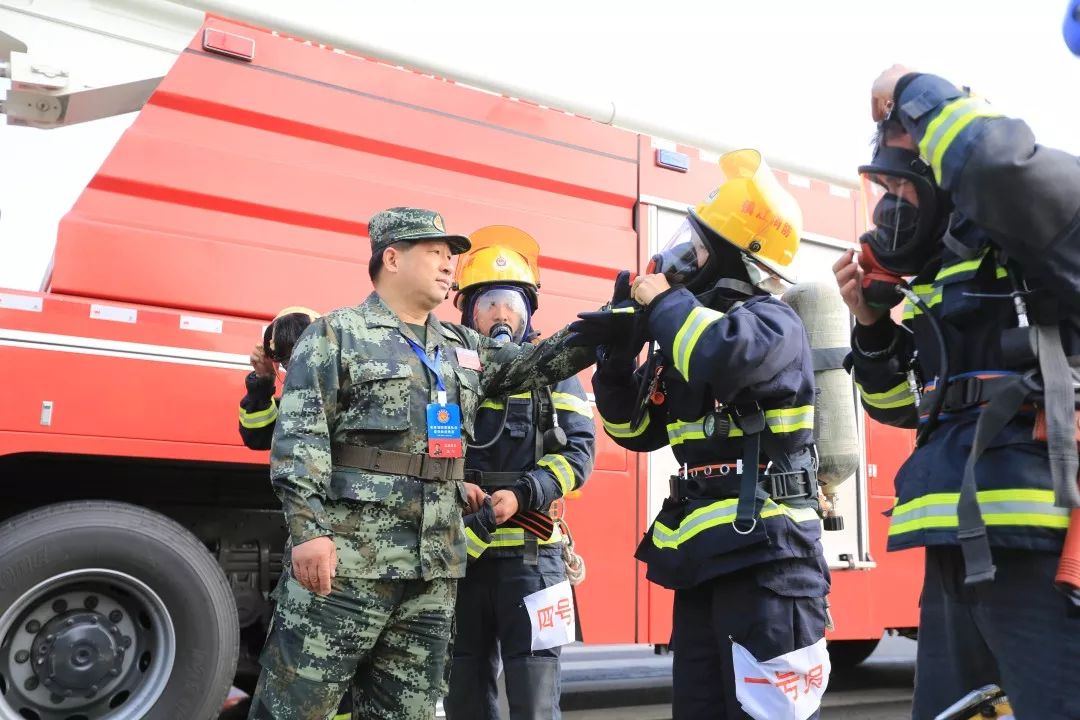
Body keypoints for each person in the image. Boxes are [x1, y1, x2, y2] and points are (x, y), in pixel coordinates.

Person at [246, 207, 596, 720]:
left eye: (450, 255)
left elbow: (545, 363)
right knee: (296, 709)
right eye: (435, 252)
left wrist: (621, 319)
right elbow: (299, 444)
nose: (448, 264)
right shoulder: (335, 335)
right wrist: (309, 533)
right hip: (351, 570)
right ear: (392, 257)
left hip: (434, 577)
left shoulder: (457, 348)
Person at [835, 66, 1080, 719]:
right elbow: (900, 410)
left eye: (900, 183)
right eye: (881, 186)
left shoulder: (1044, 228)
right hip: (956, 543)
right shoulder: (945, 274)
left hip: (1042, 541)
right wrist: (872, 327)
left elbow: (1000, 169)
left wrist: (912, 87)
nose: (888, 203)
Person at [571, 150, 830, 720]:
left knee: (766, 714)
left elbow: (719, 355)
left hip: (769, 559)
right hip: (704, 556)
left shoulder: (770, 323)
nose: (683, 258)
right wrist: (616, 363)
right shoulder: (685, 337)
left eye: (699, 247)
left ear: (736, 261)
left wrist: (663, 303)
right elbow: (635, 431)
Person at [443, 226, 596, 720]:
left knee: (534, 702)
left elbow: (579, 453)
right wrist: (451, 483)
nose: (501, 315)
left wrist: (526, 493)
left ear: (529, 311)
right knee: (465, 695)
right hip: (463, 557)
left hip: (534, 563)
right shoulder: (446, 370)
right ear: (467, 310)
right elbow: (427, 449)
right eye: (488, 302)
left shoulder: (553, 371)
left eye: (512, 302)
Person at [238, 306, 320, 450]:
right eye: (286, 360)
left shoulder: (350, 387)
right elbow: (257, 438)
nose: (294, 365)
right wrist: (263, 380)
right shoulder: (294, 401)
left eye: (301, 352)